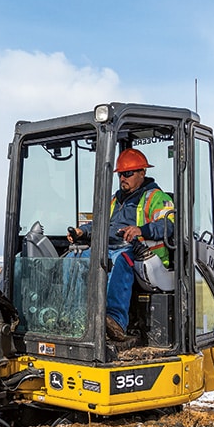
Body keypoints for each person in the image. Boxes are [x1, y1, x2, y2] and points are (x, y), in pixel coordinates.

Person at [67, 147, 175, 343]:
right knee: (74, 259)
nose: (122, 178)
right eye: (120, 175)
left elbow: (168, 225)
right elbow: (100, 224)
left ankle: (116, 320)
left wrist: (141, 230)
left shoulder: (157, 197)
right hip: (110, 246)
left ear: (142, 172)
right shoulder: (115, 200)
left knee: (120, 260)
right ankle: (73, 314)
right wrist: (83, 231)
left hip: (142, 252)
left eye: (128, 174)